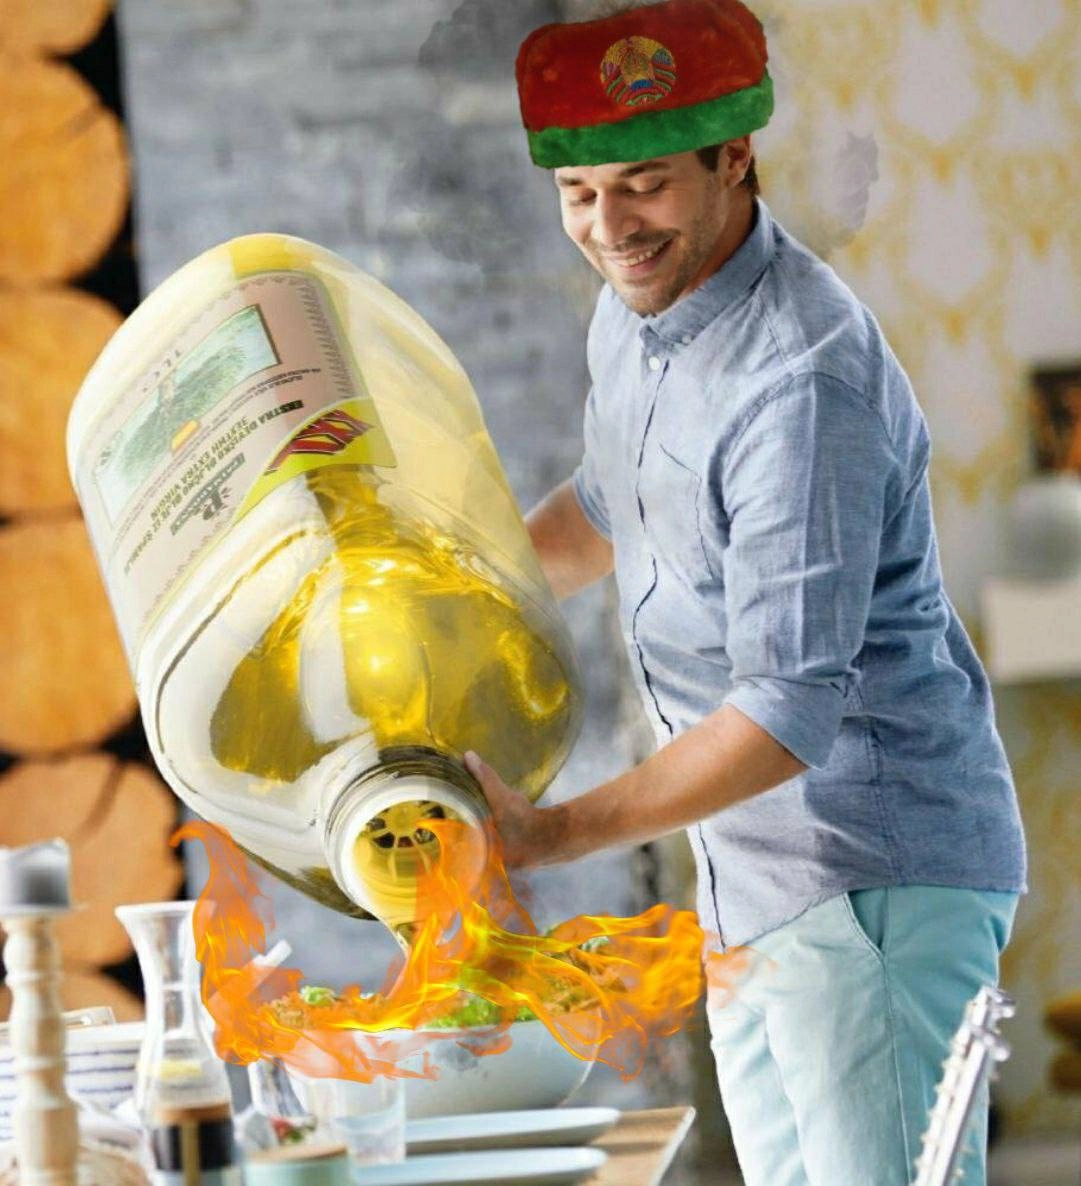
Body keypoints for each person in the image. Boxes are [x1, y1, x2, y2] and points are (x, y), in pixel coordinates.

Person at [462, 1, 1027, 1183]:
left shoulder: (800, 379)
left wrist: (547, 833)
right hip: (751, 884)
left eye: (644, 186)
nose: (609, 227)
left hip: (867, 878)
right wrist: (450, 583)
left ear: (734, 159)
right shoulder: (639, 316)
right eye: (578, 193)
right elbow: (611, 506)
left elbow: (783, 713)